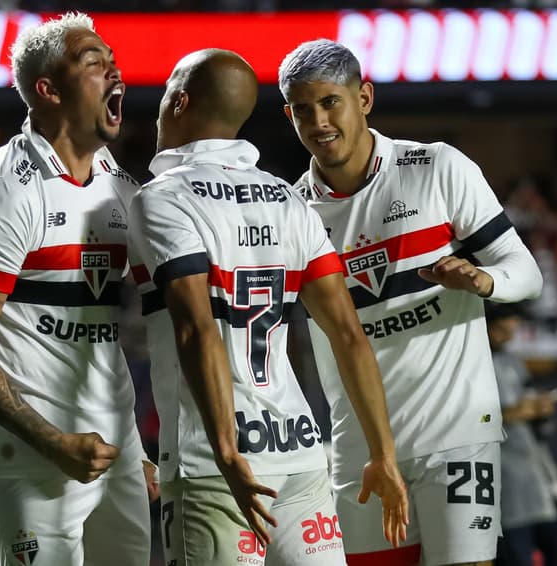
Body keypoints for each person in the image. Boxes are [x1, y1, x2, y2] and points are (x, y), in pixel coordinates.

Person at [128, 48, 407, 566]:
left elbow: (197, 328)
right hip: (300, 452)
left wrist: (228, 451)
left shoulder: (161, 198)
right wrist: (382, 453)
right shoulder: (287, 198)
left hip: (214, 465)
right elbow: (348, 333)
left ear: (179, 102)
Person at [278, 39, 544, 566]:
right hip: (358, 446)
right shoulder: (291, 212)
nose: (318, 121)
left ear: (365, 98)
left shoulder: (437, 168)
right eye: (302, 110)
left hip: (458, 434)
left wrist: (482, 280)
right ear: (289, 115)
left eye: (330, 101)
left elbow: (527, 274)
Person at [0, 12, 153, 566]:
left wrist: (135, 446)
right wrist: (53, 442)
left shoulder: (118, 186)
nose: (114, 73)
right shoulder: (2, 191)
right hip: (30, 456)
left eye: (114, 62)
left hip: (114, 449)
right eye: (93, 63)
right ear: (47, 90)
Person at [486, 303, 557, 566]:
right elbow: (469, 418)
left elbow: (531, 407)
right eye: (501, 330)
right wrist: (515, 411)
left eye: (512, 330)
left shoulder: (513, 361)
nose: (508, 336)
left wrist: (541, 408)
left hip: (539, 479)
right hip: (503, 487)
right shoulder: (472, 363)